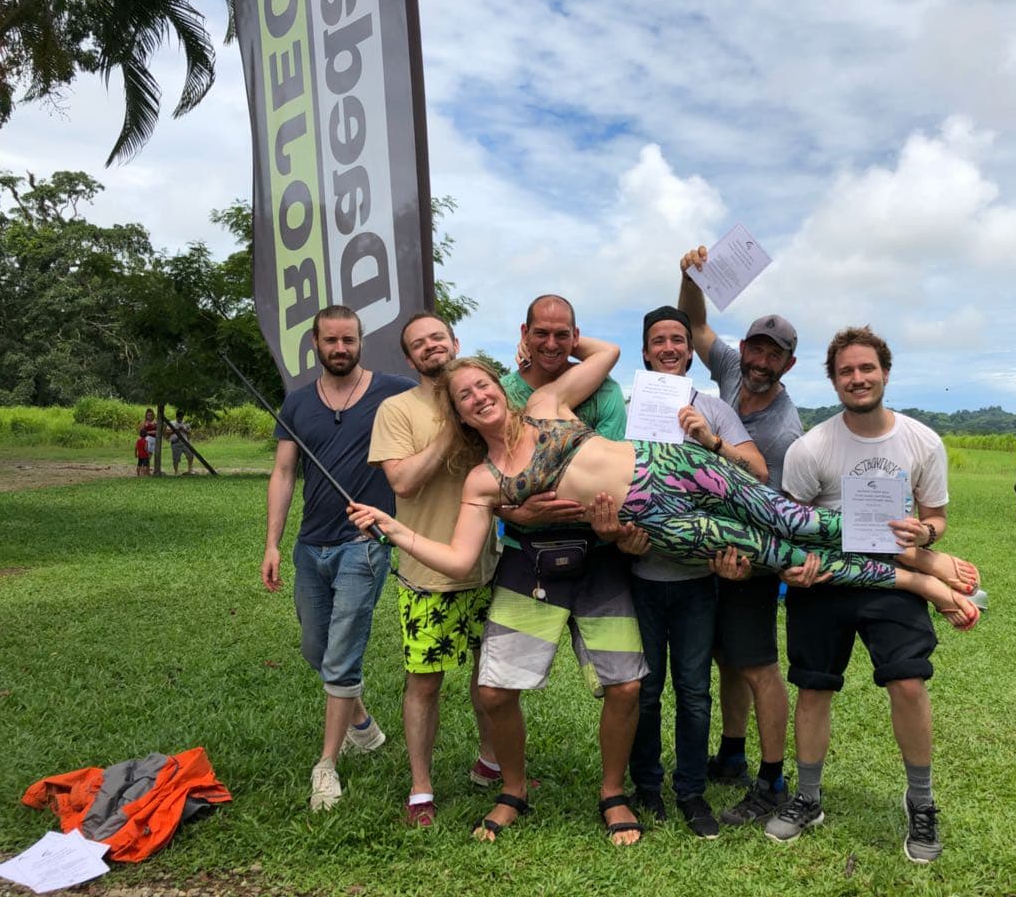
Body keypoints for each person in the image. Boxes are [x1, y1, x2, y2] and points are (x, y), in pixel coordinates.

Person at [347, 344, 981, 822]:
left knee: (797, 521)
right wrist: (394, 530)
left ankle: (921, 559)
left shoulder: (545, 403)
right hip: (658, 524)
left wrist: (545, 349)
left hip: (673, 467)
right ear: (456, 413)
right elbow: (459, 561)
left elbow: (606, 351)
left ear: (502, 385)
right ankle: (913, 580)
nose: (478, 398)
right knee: (779, 555)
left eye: (484, 384)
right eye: (465, 397)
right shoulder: (483, 480)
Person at [766, 325, 976, 859]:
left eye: (866, 368)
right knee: (815, 688)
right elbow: (792, 526)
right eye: (846, 371)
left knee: (908, 684)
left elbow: (936, 517)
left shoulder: (922, 441)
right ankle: (808, 797)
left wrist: (925, 534)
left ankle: (922, 802)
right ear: (833, 381)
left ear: (884, 371)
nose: (857, 379)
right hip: (827, 583)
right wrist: (794, 569)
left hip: (889, 582)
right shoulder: (811, 448)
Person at [483, 295, 646, 845]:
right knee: (496, 690)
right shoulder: (501, 393)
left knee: (624, 686)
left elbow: (613, 469)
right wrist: (513, 510)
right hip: (530, 557)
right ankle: (513, 787)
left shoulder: (600, 391)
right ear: (523, 331)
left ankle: (612, 792)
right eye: (542, 334)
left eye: (563, 335)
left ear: (575, 335)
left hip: (598, 555)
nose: (552, 346)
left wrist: (610, 526)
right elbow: (484, 473)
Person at [260, 305, 416, 811]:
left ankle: (326, 764)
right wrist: (272, 544)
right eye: (331, 341)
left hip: (363, 543)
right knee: (315, 648)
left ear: (360, 340)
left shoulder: (392, 390)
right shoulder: (298, 402)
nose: (341, 348)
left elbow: (445, 395)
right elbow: (284, 474)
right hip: (310, 544)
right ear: (316, 344)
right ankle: (363, 726)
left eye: (349, 339)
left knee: (343, 650)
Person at [624, 306, 766, 839]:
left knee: (693, 690)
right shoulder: (628, 408)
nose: (668, 347)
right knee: (644, 689)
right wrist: (620, 537)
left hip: (696, 582)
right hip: (638, 575)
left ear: (690, 351)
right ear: (644, 351)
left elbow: (757, 472)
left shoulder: (713, 409)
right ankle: (646, 786)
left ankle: (690, 793)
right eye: (658, 339)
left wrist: (709, 439)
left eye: (678, 340)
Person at [677, 245, 802, 825]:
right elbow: (695, 324)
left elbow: (770, 504)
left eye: (772, 355)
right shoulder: (728, 371)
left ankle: (772, 781)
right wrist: (689, 276)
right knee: (727, 658)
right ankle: (731, 753)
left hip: (748, 554)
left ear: (787, 366)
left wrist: (748, 565)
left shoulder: (781, 430)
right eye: (755, 347)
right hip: (712, 544)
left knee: (756, 665)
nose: (758, 360)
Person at [368, 313, 500, 828]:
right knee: (425, 682)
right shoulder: (397, 409)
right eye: (419, 345)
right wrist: (450, 427)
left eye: (437, 338)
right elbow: (401, 482)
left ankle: (490, 762)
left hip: (490, 567)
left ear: (455, 342)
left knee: (490, 678)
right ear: (409, 359)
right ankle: (421, 787)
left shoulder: (481, 396)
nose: (430, 348)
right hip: (428, 574)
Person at [167, 410, 194, 475]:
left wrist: (183, 430)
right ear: (176, 417)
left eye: (182, 417)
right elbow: (167, 432)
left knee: (190, 455)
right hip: (175, 442)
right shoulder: (172, 423)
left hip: (185, 442)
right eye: (179, 418)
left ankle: (189, 470)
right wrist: (176, 430)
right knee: (176, 459)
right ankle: (176, 472)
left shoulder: (186, 423)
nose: (181, 419)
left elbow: (190, 433)